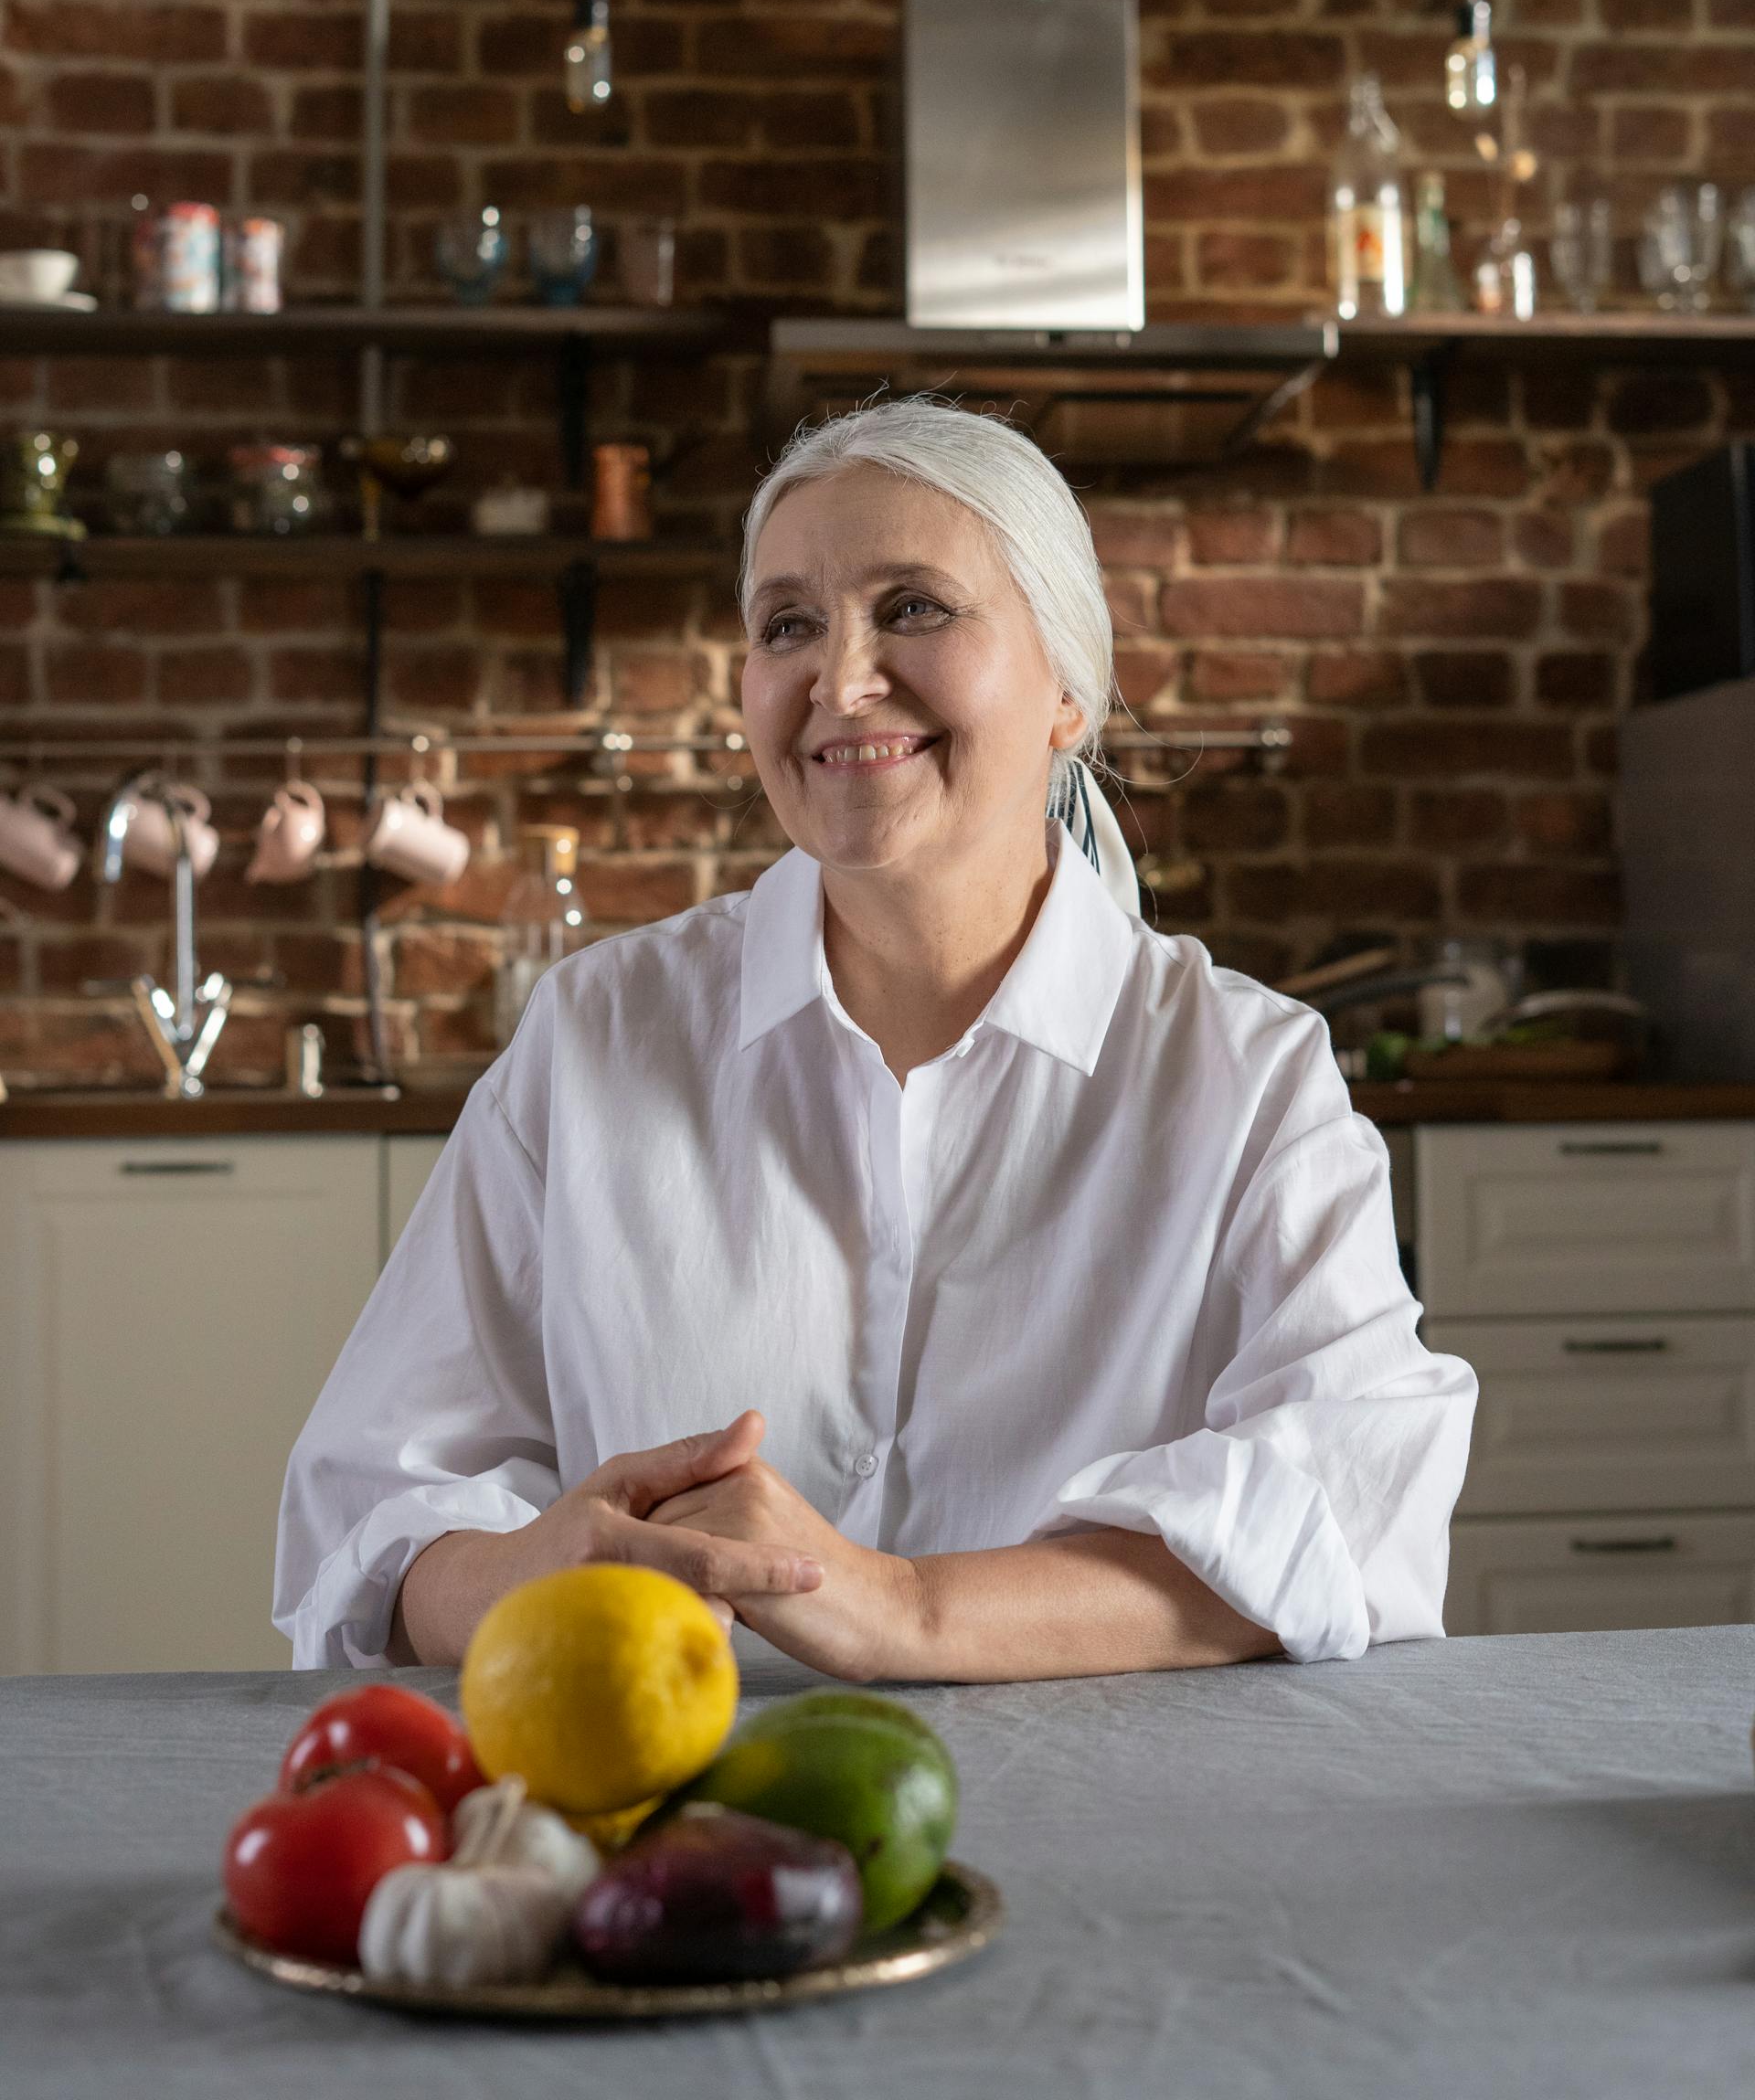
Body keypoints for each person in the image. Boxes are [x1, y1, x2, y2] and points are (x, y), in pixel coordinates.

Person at [275, 398, 1474, 1680]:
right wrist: (535, 1573)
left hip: (1124, 1823)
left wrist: (904, 1610)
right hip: (667, 1827)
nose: (838, 682)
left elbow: (1358, 1512)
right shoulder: (596, 1038)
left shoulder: (1248, 1078)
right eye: (787, 625)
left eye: (914, 608)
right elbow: (363, 1524)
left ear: (1069, 690)